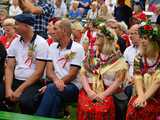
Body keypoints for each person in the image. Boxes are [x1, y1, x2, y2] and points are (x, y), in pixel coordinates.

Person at [35, 19, 85, 118]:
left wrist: (55, 84)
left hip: (72, 86)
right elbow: (49, 71)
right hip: (56, 84)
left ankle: (38, 117)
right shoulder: (52, 46)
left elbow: (72, 74)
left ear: (64, 31)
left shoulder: (77, 48)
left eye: (55, 29)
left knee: (51, 90)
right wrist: (56, 82)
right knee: (55, 97)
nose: (51, 32)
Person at [77, 24, 128, 120]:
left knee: (102, 108)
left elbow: (118, 81)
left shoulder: (118, 59)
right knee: (86, 106)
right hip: (90, 89)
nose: (96, 37)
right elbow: (83, 74)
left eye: (99, 36)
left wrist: (103, 95)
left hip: (108, 91)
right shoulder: (91, 54)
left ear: (106, 40)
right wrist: (89, 91)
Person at [5, 13, 49, 114]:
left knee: (26, 102)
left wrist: (19, 90)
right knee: (2, 93)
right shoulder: (15, 41)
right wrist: (8, 89)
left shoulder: (41, 43)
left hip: (33, 83)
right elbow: (9, 67)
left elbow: (39, 72)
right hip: (16, 79)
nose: (14, 27)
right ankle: (8, 109)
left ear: (26, 26)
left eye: (16, 24)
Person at [126, 22, 160, 120]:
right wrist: (140, 96)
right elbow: (138, 77)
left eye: (146, 38)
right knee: (133, 110)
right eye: (142, 38)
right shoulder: (139, 57)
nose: (142, 41)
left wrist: (144, 98)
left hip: (157, 96)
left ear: (154, 41)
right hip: (142, 93)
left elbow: (158, 81)